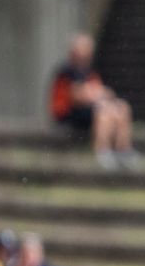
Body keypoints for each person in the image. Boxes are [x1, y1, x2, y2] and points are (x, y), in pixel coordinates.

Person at [49, 33, 139, 168]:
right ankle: (103, 150)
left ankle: (123, 149)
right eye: (84, 47)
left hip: (89, 108)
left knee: (122, 107)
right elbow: (75, 96)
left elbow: (101, 91)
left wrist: (97, 94)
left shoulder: (88, 71)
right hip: (69, 112)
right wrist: (95, 94)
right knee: (103, 112)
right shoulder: (66, 71)